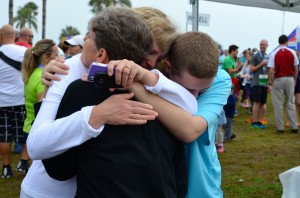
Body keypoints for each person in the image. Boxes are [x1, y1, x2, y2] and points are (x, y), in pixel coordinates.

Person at [21, 7, 174, 198]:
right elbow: (35, 145)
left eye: (157, 55)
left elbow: (189, 108)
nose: (151, 62)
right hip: (47, 190)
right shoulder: (66, 71)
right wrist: (98, 114)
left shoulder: (149, 80)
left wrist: (144, 80)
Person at [18, 39, 59, 174]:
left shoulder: (33, 73)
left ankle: (22, 163)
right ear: (46, 58)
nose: (60, 58)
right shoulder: (41, 78)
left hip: (29, 125)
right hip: (36, 128)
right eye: (56, 55)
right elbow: (43, 106)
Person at [0, 24, 27, 178]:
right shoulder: (24, 52)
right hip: (20, 100)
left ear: (1, 36)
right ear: (15, 36)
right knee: (24, 133)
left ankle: (5, 167)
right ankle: (23, 162)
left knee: (4, 136)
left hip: (2, 102)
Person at [268, 35, 299, 133]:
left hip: (278, 78)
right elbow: (296, 68)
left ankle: (280, 127)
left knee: (278, 104)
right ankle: (294, 126)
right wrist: (294, 79)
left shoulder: (274, 53)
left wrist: (271, 82)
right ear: (287, 42)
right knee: (290, 103)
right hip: (289, 78)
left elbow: (271, 70)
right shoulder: (292, 52)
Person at [250, 39, 269, 129]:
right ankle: (255, 122)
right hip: (256, 82)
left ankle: (262, 120)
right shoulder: (255, 56)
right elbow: (252, 69)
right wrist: (261, 64)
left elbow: (269, 70)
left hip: (264, 82)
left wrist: (269, 83)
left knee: (263, 102)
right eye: (261, 44)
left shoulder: (268, 56)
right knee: (256, 102)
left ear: (267, 45)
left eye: (264, 45)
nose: (262, 46)